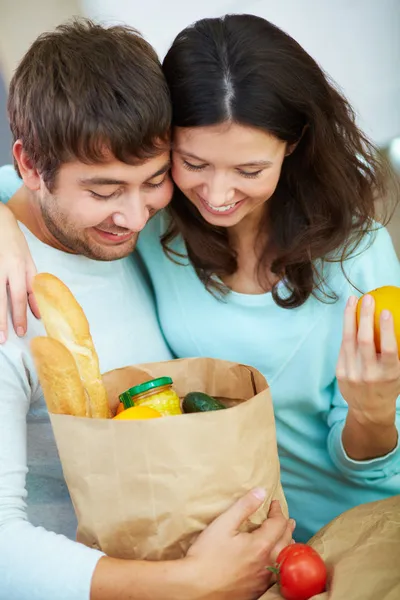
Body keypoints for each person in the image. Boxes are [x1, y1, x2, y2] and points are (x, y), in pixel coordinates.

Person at [1, 13, 400, 544]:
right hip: (222, 532)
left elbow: (373, 471)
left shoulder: (359, 254)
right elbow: (47, 176)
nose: (216, 195)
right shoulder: (156, 220)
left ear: (294, 144)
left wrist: (373, 412)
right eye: (190, 163)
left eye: (249, 171)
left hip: (351, 527)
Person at [0, 19, 294, 600]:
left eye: (155, 179)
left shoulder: (157, 234)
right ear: (31, 167)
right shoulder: (9, 295)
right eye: (104, 191)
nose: (135, 217)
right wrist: (188, 583)